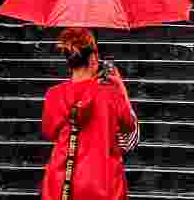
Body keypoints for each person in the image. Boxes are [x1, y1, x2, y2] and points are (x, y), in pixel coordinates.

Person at [40, 28, 136, 200]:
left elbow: (49, 133)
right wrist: (121, 87)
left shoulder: (53, 94)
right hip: (103, 183)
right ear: (92, 59)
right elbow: (129, 125)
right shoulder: (110, 94)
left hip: (62, 184)